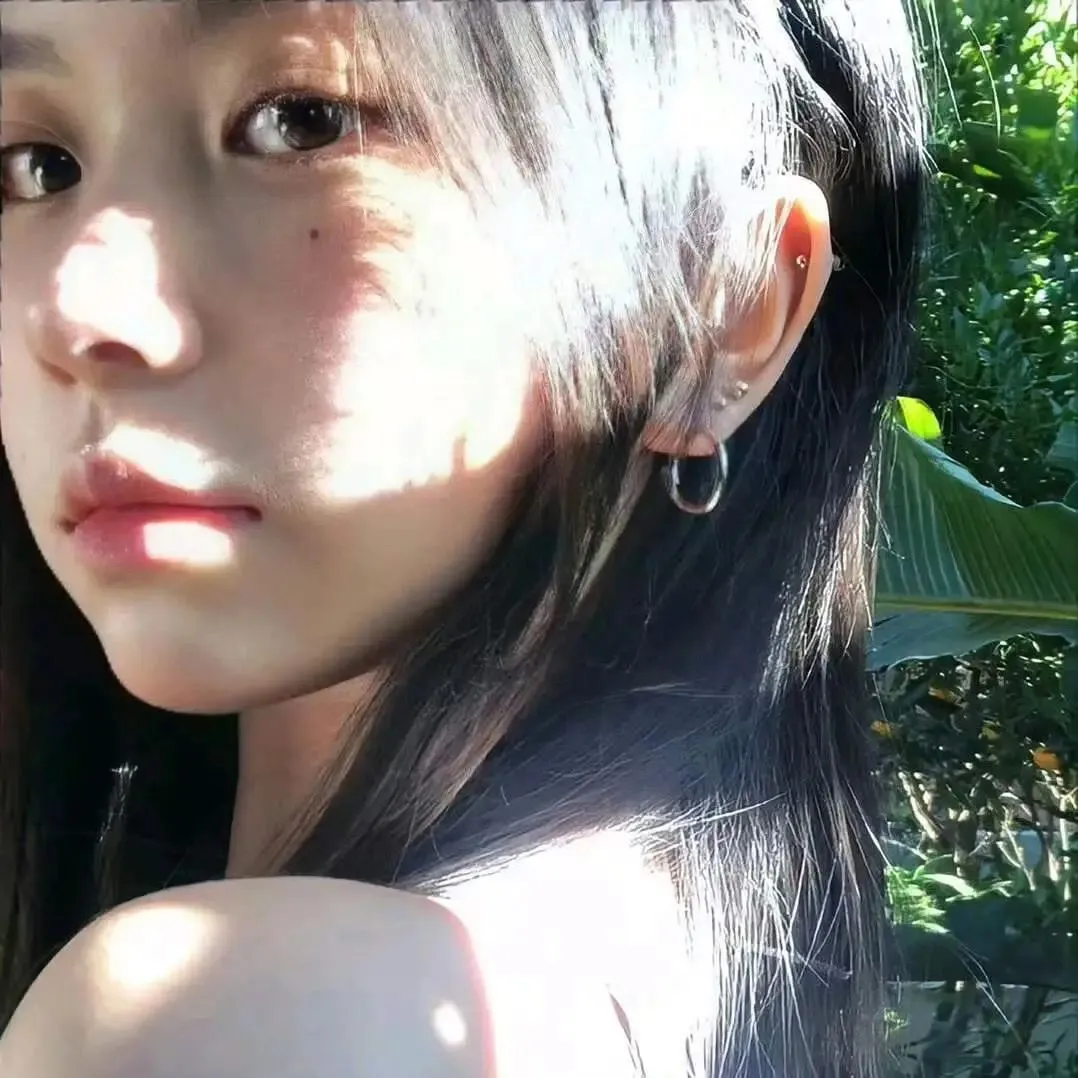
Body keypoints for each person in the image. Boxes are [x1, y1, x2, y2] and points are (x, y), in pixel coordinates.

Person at [0, 1, 928, 1074]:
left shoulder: (234, 1019)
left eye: (301, 121)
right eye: (36, 166)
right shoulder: (652, 998)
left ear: (722, 300)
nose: (76, 310)